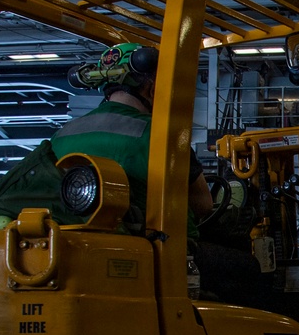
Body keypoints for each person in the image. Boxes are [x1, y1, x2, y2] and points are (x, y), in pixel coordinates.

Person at [53, 42, 213, 236]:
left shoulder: (61, 136)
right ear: (152, 88)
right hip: (159, 247)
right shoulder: (162, 134)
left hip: (76, 241)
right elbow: (203, 205)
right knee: (244, 265)